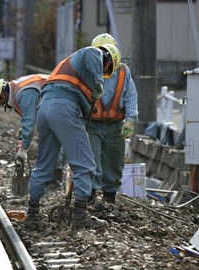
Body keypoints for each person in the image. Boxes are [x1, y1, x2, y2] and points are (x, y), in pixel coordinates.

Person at [25, 43, 121, 230]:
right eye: (108, 70)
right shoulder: (93, 53)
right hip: (63, 109)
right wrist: (98, 85)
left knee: (44, 164)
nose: (105, 73)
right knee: (84, 163)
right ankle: (80, 216)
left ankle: (32, 215)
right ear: (108, 59)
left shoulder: (68, 63)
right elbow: (93, 59)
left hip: (44, 109)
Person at [88, 33, 138, 206]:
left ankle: (109, 197)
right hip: (93, 124)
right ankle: (90, 197)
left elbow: (130, 96)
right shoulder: (88, 70)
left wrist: (130, 120)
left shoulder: (123, 72)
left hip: (115, 125)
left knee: (114, 161)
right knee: (91, 159)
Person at [0, 74, 48, 164]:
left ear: (3, 95)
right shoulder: (16, 87)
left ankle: (56, 171)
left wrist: (23, 149)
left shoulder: (23, 93)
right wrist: (25, 132)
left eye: (0, 103)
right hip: (56, 98)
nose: (2, 105)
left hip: (61, 100)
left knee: (53, 139)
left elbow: (29, 121)